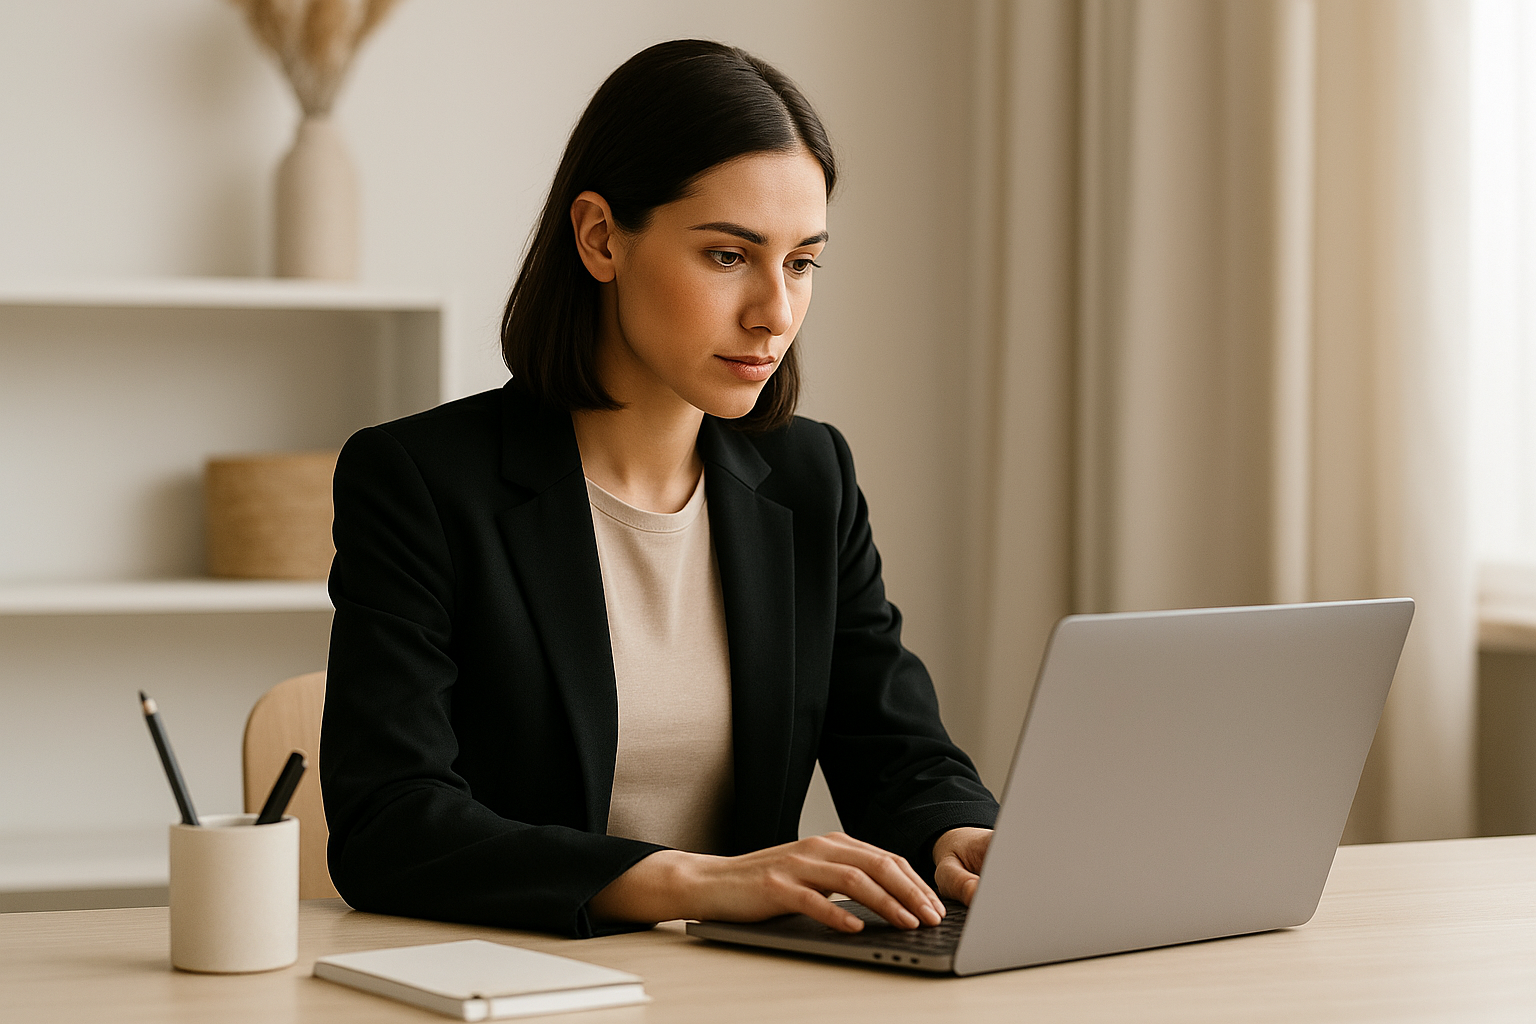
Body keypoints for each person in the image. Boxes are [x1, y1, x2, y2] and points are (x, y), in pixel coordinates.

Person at [320, 39, 999, 940]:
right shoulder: (419, 481)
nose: (776, 312)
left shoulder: (810, 477)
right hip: (517, 979)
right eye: (729, 256)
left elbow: (896, 747)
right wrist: (688, 883)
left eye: (802, 262)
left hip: (743, 992)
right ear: (601, 237)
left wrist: (960, 833)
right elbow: (388, 825)